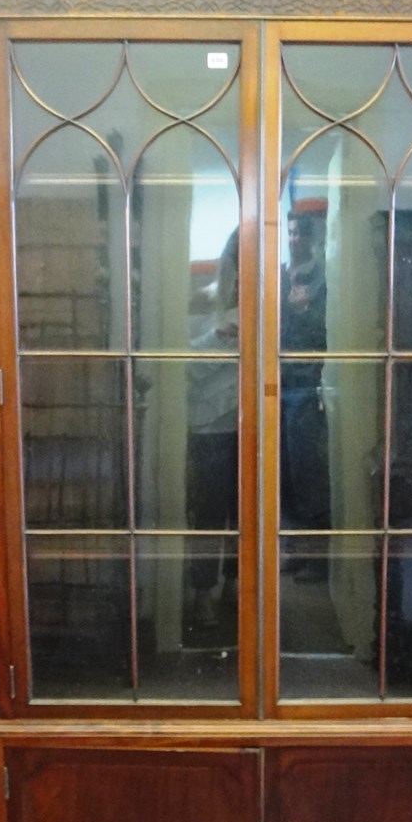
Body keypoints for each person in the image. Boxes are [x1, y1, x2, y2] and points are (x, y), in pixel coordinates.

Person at [186, 229, 239, 628]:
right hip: (209, 428)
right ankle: (202, 594)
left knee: (247, 515)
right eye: (241, 258)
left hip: (255, 425)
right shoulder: (202, 298)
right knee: (206, 515)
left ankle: (236, 588)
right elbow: (181, 367)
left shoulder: (270, 302)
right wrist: (219, 339)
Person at [280, 209, 331, 583]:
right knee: (285, 474)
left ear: (311, 238)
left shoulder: (323, 279)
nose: (295, 238)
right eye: (291, 231)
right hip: (277, 385)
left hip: (308, 385)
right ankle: (296, 550)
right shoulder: (280, 274)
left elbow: (329, 331)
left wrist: (306, 308)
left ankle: (317, 558)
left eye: (300, 232)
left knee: (309, 472)